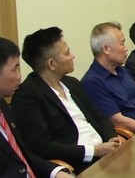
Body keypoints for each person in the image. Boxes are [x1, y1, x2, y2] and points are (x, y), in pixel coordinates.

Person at [11, 27, 122, 174]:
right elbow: (41, 146)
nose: (73, 56)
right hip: (80, 164)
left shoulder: (72, 83)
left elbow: (98, 116)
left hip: (107, 153)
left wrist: (111, 139)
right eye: (67, 53)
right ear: (52, 64)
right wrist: (93, 151)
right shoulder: (27, 97)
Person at [0, 37, 73, 178]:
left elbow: (23, 155)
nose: (19, 76)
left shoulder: (3, 106)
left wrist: (56, 172)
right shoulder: (26, 96)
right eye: (14, 69)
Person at [82, 22, 135, 133]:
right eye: (122, 43)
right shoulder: (92, 81)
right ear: (106, 49)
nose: (126, 49)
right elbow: (118, 120)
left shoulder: (123, 71)